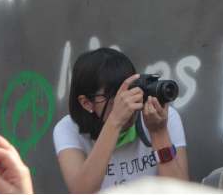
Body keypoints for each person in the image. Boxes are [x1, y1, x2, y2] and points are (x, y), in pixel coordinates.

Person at [54, 48, 189, 193]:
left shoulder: (160, 117)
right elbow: (82, 192)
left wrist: (159, 132)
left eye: (130, 91)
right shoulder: (68, 129)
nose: (126, 103)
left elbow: (180, 191)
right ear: (86, 103)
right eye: (115, 98)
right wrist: (114, 122)